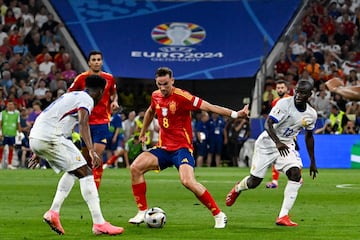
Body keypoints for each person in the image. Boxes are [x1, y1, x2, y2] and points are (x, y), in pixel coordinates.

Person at [128, 67, 249, 228]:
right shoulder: (155, 96)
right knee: (135, 168)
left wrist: (236, 114)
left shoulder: (183, 97)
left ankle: (218, 214)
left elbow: (209, 107)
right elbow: (150, 111)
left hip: (181, 149)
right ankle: (142, 212)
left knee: (188, 181)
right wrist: (143, 132)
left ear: (172, 80)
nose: (162, 88)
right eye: (159, 84)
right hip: (163, 148)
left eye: (165, 84)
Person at [28, 75, 124, 236]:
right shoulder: (87, 99)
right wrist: (91, 150)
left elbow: (57, 121)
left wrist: (38, 150)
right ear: (100, 92)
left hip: (37, 137)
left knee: (75, 170)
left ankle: (54, 212)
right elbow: (83, 122)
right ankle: (99, 223)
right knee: (86, 172)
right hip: (50, 137)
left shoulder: (70, 96)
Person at [225, 80, 318, 227]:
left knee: (295, 174)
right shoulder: (284, 104)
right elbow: (268, 124)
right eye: (297, 91)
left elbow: (309, 136)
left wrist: (313, 161)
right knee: (254, 182)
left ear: (310, 95)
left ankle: (283, 216)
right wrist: (277, 143)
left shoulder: (311, 114)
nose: (299, 95)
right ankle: (238, 188)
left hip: (286, 144)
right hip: (267, 143)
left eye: (303, 93)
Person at [68, 50, 119, 189]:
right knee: (87, 158)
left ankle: (94, 188)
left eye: (98, 59)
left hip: (102, 121)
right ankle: (87, 183)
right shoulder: (81, 78)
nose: (96, 62)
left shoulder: (109, 78)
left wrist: (114, 102)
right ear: (89, 62)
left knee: (97, 154)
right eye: (94, 60)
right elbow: (70, 95)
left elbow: (114, 94)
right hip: (85, 123)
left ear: (101, 62)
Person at [266, 80, 291, 189]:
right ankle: (275, 181)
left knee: (291, 156)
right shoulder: (274, 102)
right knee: (275, 156)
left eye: (282, 88)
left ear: (286, 89)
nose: (280, 89)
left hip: (289, 133)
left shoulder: (291, 100)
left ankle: (298, 178)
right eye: (278, 88)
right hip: (277, 133)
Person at [0, 100, 21, 169]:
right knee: (1, 149)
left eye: (12, 104)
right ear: (7, 105)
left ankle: (9, 164)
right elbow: (0, 124)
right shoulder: (2, 113)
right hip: (4, 134)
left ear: (14, 106)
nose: (10, 106)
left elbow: (18, 124)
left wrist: (19, 133)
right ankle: (0, 164)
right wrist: (0, 133)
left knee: (11, 149)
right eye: (9, 104)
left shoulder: (17, 114)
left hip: (12, 134)